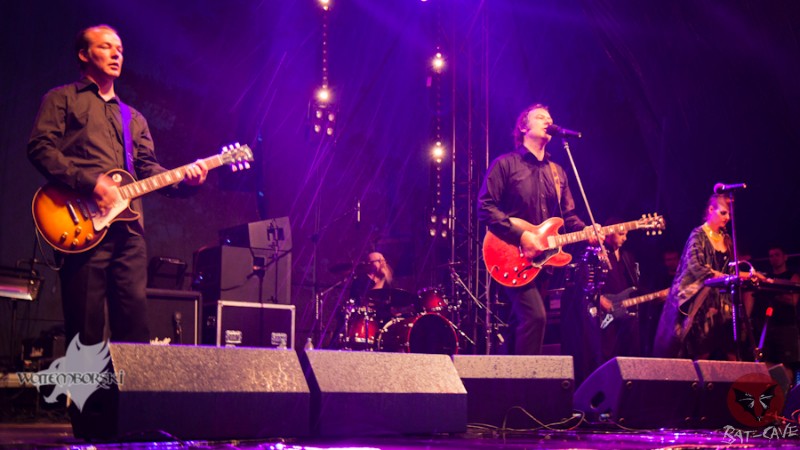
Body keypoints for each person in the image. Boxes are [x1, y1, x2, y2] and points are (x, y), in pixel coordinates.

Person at [27, 25, 208, 349]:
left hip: (129, 233)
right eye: (106, 47)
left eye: (120, 49)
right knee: (85, 334)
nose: (116, 54)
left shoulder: (133, 118)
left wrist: (186, 181)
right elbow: (40, 148)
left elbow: (148, 170)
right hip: (81, 226)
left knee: (135, 331)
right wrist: (90, 183)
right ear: (84, 55)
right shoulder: (61, 99)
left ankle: (130, 386)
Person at [478, 103, 600, 355]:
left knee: (520, 324)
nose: (548, 121)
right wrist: (522, 236)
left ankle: (505, 375)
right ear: (523, 127)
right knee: (535, 317)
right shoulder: (505, 164)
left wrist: (587, 231)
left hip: (542, 261)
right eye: (541, 117)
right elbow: (485, 206)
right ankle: (529, 378)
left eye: (550, 118)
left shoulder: (558, 173)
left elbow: (567, 217)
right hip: (509, 254)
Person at [653, 192, 738, 360]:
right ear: (711, 210)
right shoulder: (698, 235)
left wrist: (749, 275)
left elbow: (730, 270)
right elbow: (694, 266)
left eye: (729, 214)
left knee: (730, 350)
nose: (727, 217)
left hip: (723, 304)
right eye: (723, 212)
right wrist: (719, 276)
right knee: (701, 351)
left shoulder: (726, 239)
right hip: (700, 303)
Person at [746, 246, 800, 381]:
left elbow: (792, 300)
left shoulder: (792, 276)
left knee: (787, 364)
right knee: (765, 363)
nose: (774, 258)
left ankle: (789, 390)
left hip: (786, 327)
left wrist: (772, 292)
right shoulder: (766, 277)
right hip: (766, 326)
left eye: (777, 255)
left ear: (785, 257)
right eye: (771, 256)